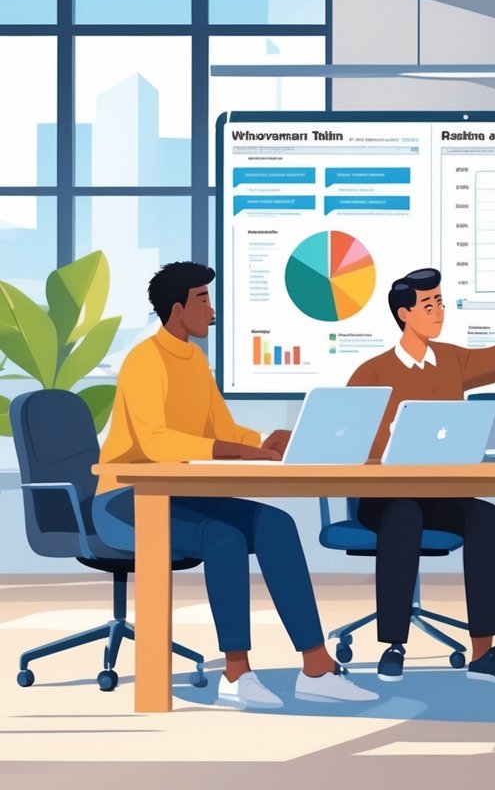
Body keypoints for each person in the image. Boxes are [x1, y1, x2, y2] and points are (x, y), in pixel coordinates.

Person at [92, 262, 377, 710]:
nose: (211, 309)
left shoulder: (195, 360)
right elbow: (155, 441)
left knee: (276, 524)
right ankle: (236, 672)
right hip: (125, 499)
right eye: (202, 299)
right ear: (176, 308)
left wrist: (264, 442)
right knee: (223, 538)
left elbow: (221, 427)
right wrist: (240, 451)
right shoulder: (145, 360)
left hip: (178, 492)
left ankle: (317, 666)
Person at [347, 267, 495, 684]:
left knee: (488, 517)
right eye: (428, 305)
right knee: (403, 515)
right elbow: (352, 443)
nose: (439, 311)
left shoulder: (452, 360)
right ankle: (393, 645)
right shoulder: (370, 373)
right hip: (384, 498)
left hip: (440, 495)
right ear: (404, 314)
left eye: (440, 303)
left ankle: (483, 652)